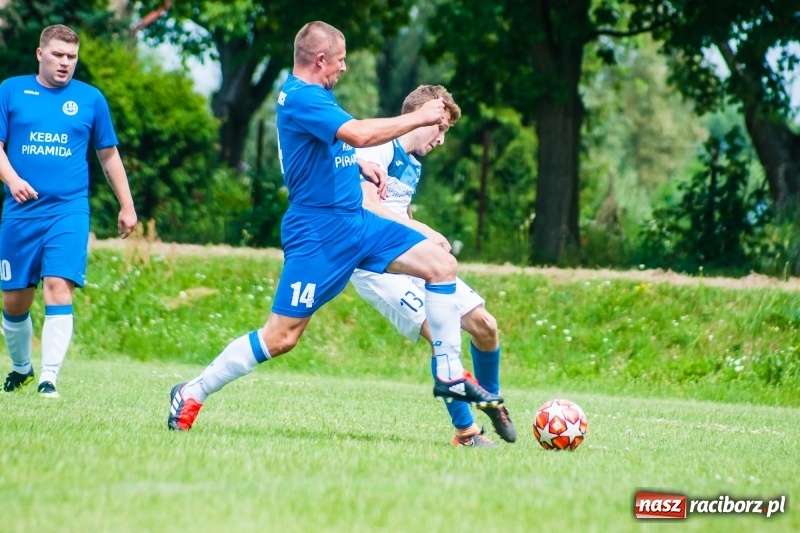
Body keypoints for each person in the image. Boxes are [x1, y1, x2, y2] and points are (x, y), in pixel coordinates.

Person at [167, 21, 505, 432]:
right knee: (281, 338)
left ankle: (449, 375)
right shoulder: (303, 96)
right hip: (319, 234)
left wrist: (354, 163)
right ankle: (191, 393)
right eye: (341, 60)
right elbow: (358, 133)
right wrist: (417, 117)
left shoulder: (316, 95)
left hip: (358, 224)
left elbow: (329, 147)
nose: (344, 68)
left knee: (441, 266)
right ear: (321, 59)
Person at [351, 85, 516, 447]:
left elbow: (399, 210)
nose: (442, 140)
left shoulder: (412, 165)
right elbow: (366, 204)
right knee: (442, 335)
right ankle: (466, 433)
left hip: (409, 258)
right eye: (441, 128)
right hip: (374, 265)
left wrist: (419, 233)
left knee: (485, 326)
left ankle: (492, 401)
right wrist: (422, 230)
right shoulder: (379, 146)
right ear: (423, 114)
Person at [0, 24, 137, 398]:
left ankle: (49, 379)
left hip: (68, 211)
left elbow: (108, 155)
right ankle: (21, 368)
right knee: (14, 301)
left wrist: (127, 204)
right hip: (20, 212)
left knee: (59, 287)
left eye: (71, 57)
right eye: (58, 55)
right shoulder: (10, 91)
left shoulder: (91, 99)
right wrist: (12, 180)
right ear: (40, 54)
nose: (65, 63)